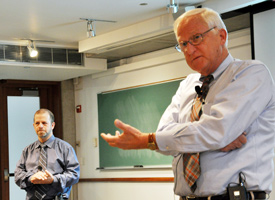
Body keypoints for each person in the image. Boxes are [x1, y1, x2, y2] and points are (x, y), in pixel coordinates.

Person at [101, 7, 275, 200]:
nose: (189, 50)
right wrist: (213, 143)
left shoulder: (250, 74)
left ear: (222, 36)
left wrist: (149, 140)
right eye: (182, 44)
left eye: (196, 38)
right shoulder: (188, 84)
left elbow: (216, 130)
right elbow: (165, 133)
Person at [14, 108, 80, 200]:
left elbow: (74, 175)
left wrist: (53, 179)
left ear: (52, 125)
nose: (40, 126)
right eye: (37, 123)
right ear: (34, 126)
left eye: (44, 123)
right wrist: (31, 177)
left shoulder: (65, 148)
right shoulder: (27, 150)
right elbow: (18, 175)